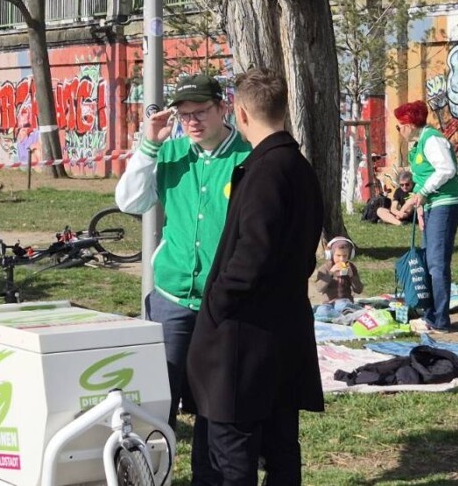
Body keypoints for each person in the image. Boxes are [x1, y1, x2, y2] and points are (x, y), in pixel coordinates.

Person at [185, 68, 324, 486]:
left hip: (245, 341)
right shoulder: (297, 167)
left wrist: (217, 303)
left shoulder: (267, 170)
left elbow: (252, 255)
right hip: (281, 330)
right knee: (281, 448)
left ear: (241, 114)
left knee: (231, 455)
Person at [115, 73, 250, 482]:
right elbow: (130, 200)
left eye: (201, 112)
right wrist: (148, 144)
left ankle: (207, 476)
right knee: (158, 399)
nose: (192, 121)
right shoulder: (169, 152)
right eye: (184, 114)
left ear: (222, 107)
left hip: (223, 301)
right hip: (171, 297)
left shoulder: (247, 155)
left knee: (215, 402)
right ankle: (156, 474)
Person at [394, 101, 458, 333]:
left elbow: (446, 169)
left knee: (436, 263)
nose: (400, 130)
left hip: (445, 204)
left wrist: (422, 194)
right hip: (431, 205)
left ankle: (440, 319)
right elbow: (424, 178)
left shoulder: (432, 140)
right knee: (428, 259)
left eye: (400, 125)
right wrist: (412, 201)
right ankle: (431, 312)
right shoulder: (417, 145)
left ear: (411, 124)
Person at [313, 236, 364, 321]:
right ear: (331, 254)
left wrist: (352, 276)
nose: (342, 259)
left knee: (341, 305)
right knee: (322, 311)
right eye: (338, 255)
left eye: (345, 256)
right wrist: (330, 273)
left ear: (350, 255)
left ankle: (343, 314)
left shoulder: (351, 267)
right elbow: (319, 289)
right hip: (328, 303)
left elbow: (359, 290)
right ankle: (344, 316)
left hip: (344, 301)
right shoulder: (325, 268)